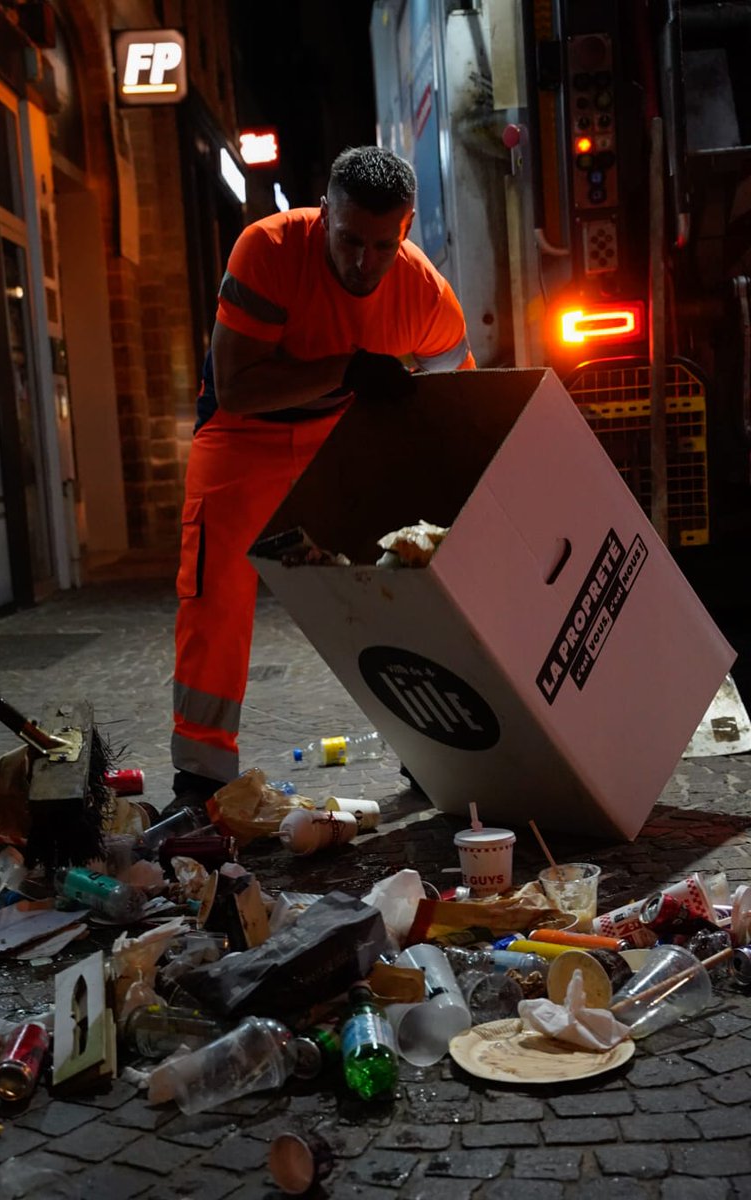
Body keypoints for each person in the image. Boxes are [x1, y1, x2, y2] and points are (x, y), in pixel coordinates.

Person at [165, 145, 474, 817]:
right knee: (214, 590)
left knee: (409, 572)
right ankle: (201, 777)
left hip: (341, 436)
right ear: (323, 211)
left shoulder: (421, 289)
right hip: (243, 437)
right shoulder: (268, 250)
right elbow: (241, 386)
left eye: (381, 246)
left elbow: (455, 391)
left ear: (408, 227)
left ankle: (431, 746)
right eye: (348, 241)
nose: (363, 263)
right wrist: (346, 368)